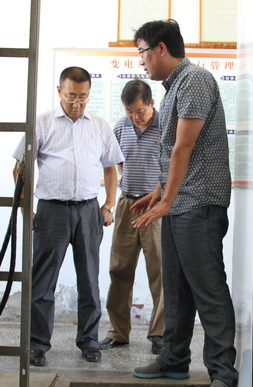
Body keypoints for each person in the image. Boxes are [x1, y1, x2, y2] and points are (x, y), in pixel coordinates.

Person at [129, 20, 237, 387]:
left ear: (160, 49)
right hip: (180, 204)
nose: (141, 61)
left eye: (142, 52)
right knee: (175, 290)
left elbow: (185, 147)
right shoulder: (174, 86)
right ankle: (174, 358)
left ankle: (224, 376)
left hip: (199, 205)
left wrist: (167, 200)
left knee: (208, 290)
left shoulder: (194, 80)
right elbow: (174, 155)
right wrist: (159, 193)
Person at [12, 66, 123, 366]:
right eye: (71, 96)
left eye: (83, 97)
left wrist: (108, 205)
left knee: (89, 280)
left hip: (88, 211)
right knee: (43, 281)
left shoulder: (99, 126)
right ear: (59, 91)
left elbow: (110, 168)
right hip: (52, 211)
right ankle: (37, 344)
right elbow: (20, 168)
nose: (77, 103)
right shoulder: (42, 123)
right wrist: (27, 208)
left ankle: (89, 341)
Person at [99, 80, 165, 355]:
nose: (135, 117)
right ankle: (118, 331)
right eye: (130, 112)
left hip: (155, 208)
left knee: (160, 272)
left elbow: (173, 165)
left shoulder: (166, 126)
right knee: (119, 269)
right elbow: (116, 161)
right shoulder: (120, 127)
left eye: (139, 111)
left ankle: (160, 334)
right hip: (127, 204)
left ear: (151, 103)